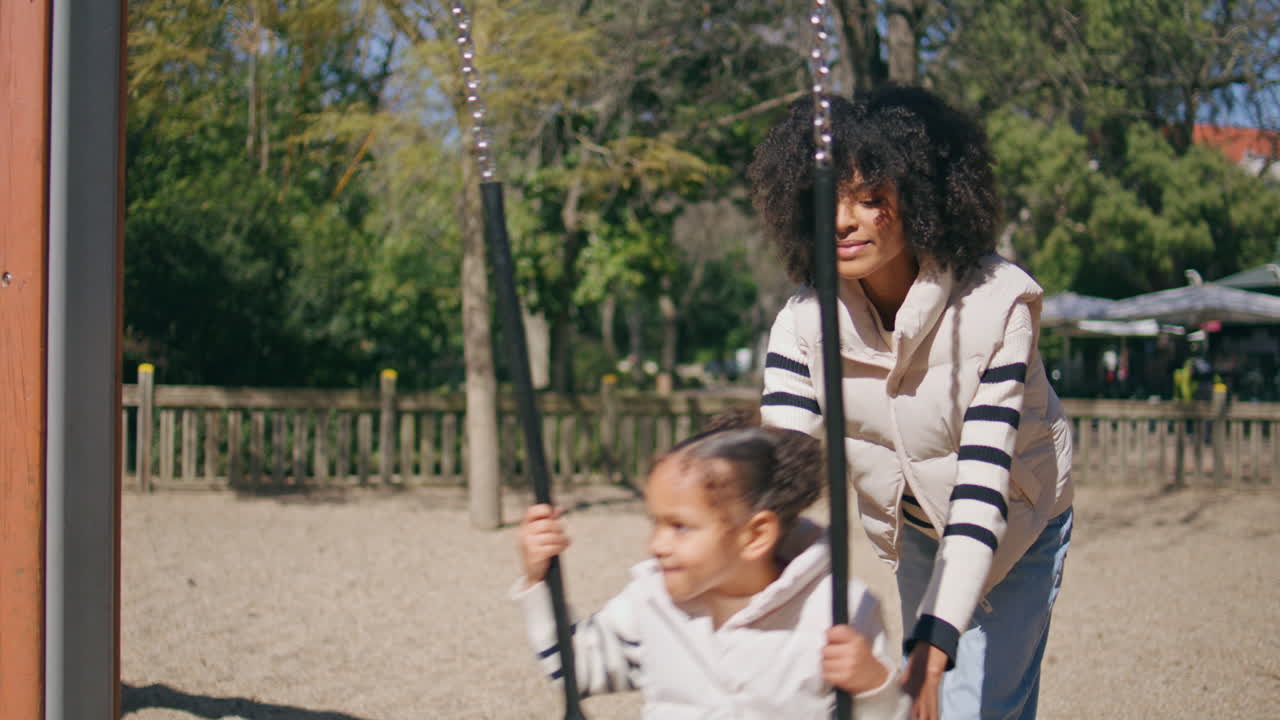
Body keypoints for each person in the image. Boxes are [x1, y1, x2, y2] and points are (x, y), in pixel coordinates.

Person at [748, 86, 1074, 720]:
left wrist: (937, 639)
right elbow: (779, 473)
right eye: (828, 201)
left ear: (921, 197)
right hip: (915, 529)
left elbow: (983, 488)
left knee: (976, 704)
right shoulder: (803, 324)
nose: (843, 220)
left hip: (1017, 515)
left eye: (870, 199)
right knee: (921, 704)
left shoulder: (997, 307)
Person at [514, 417, 910, 719]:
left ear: (755, 536)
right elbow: (575, 669)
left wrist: (875, 687)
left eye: (679, 527)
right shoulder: (650, 603)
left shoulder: (835, 612)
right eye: (656, 523)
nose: (657, 545)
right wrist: (539, 580)